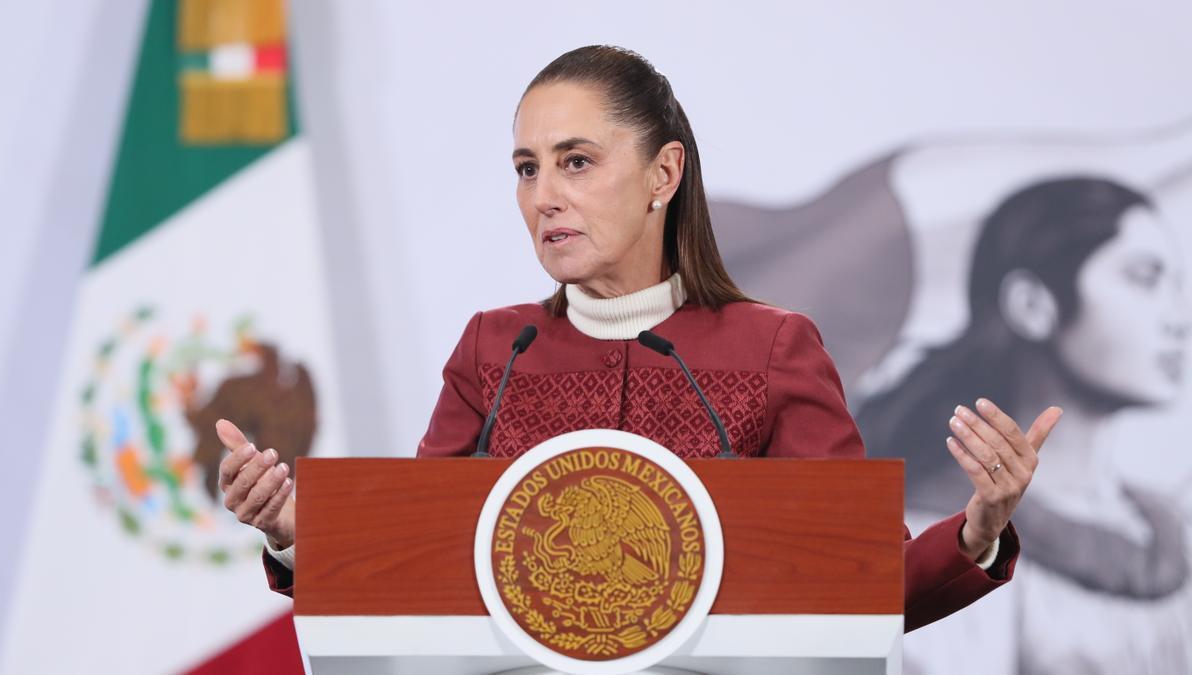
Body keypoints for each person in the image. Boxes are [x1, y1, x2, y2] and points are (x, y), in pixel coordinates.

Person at [214, 45, 1062, 633]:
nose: (544, 195)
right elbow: (414, 572)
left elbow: (858, 579)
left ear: (664, 174)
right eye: (527, 168)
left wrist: (976, 529)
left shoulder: (773, 348)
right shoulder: (494, 352)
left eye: (576, 161)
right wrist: (293, 531)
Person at [856, 176, 1192, 672]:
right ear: (1032, 305)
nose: (1179, 319)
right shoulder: (938, 540)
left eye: (1177, 285)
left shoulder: (1169, 526)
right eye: (1144, 279)